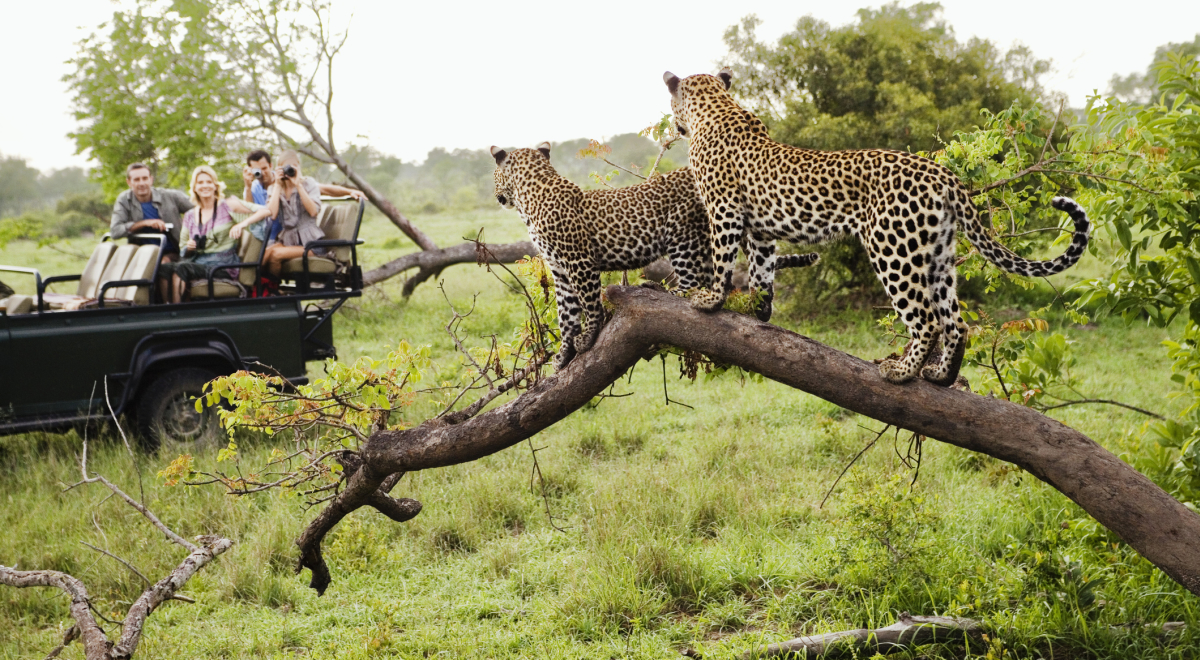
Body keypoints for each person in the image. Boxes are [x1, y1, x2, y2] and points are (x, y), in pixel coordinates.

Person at [159, 166, 269, 303]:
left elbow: (265, 211)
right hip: (199, 262)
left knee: (182, 268)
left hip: (222, 265)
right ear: (194, 187)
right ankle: (167, 308)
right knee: (164, 268)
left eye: (208, 182)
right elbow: (183, 251)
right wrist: (190, 247)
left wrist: (241, 224)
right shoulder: (189, 215)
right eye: (200, 182)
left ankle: (177, 314)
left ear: (215, 185)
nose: (205, 185)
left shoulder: (227, 205)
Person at [258, 151, 335, 293]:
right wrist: (277, 185)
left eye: (293, 167)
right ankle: (257, 289)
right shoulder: (274, 188)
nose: (289, 171)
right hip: (289, 241)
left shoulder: (308, 183)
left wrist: (298, 185)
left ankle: (270, 290)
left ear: (299, 167)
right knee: (265, 253)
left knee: (276, 254)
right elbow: (272, 214)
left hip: (311, 244)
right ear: (278, 169)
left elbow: (313, 211)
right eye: (285, 168)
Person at [110, 163, 194, 261]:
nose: (141, 183)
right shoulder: (124, 200)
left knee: (161, 264)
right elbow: (115, 231)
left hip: (174, 252)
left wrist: (189, 225)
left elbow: (201, 209)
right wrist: (145, 223)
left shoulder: (170, 196)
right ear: (129, 182)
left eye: (145, 178)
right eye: (136, 180)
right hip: (141, 254)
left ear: (151, 179)